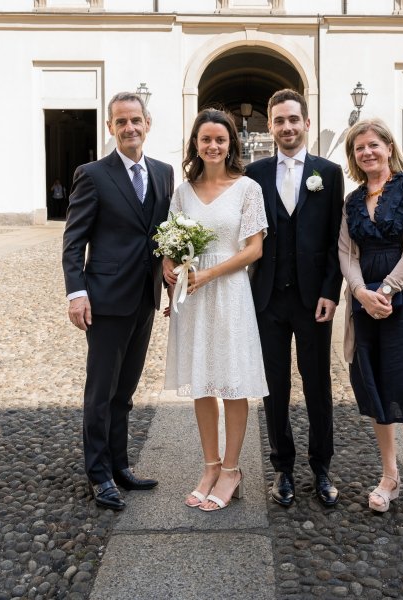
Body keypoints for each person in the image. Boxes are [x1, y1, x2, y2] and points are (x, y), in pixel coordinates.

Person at [62, 92, 174, 511]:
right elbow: (74, 241)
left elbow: (162, 235)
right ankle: (98, 474)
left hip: (143, 299)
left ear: (148, 123)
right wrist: (77, 293)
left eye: (136, 120)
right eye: (121, 122)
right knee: (101, 392)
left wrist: (168, 286)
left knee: (125, 391)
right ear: (110, 128)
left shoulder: (163, 174)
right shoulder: (92, 174)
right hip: (105, 300)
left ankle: (121, 465)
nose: (129, 128)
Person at [162, 108, 268, 512]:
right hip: (192, 294)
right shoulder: (182, 191)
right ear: (195, 144)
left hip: (228, 292)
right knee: (203, 380)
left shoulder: (247, 189)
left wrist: (209, 275)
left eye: (220, 140)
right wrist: (167, 264)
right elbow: (169, 242)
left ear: (231, 145)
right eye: (205, 139)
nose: (213, 145)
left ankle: (232, 469)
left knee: (232, 381)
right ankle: (209, 466)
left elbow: (255, 249)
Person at [338, 118, 403, 525]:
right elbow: (346, 251)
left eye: (373, 145)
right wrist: (361, 292)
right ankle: (389, 476)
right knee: (377, 387)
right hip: (366, 302)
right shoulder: (351, 200)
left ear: (388, 146)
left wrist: (389, 288)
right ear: (354, 157)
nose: (367, 152)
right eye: (359, 148)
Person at [245, 89, 344, 508]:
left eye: (293, 119)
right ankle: (283, 467)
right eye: (279, 120)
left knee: (318, 384)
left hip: (312, 301)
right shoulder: (255, 174)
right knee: (275, 387)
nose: (287, 127)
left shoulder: (329, 172)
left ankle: (321, 467)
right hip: (267, 299)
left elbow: (338, 238)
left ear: (306, 123)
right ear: (270, 126)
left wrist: (330, 293)